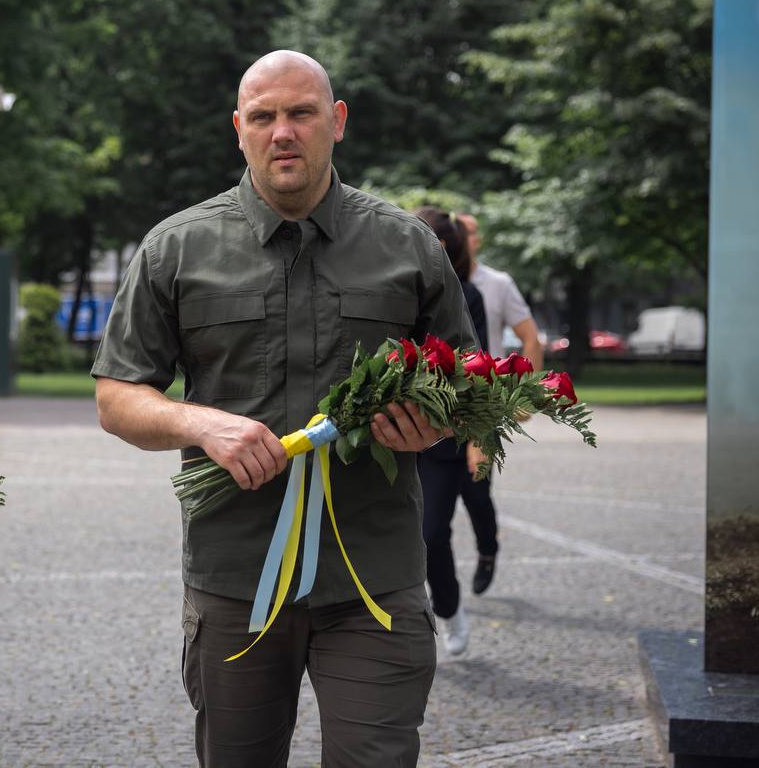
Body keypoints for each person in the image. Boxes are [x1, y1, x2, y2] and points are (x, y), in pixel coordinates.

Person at [92, 51, 477, 768]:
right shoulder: (177, 248)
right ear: (238, 130)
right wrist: (198, 421)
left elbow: (467, 384)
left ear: (336, 122)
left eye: (300, 113)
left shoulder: (407, 245)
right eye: (263, 117)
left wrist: (437, 418)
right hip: (236, 579)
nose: (283, 132)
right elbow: (117, 396)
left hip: (373, 579)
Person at [455, 212, 545, 596]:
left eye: (474, 233)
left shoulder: (497, 284)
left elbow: (531, 338)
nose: (469, 240)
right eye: (463, 234)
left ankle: (488, 549)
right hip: (443, 400)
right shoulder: (430, 276)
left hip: (484, 400)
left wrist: (526, 393)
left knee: (477, 489)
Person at [414, 207, 488, 656]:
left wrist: (479, 438)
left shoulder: (469, 296)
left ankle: (450, 608)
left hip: (443, 436)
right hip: (389, 429)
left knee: (431, 534)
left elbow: (478, 369)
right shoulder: (388, 286)